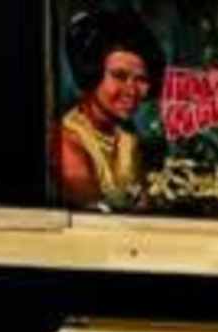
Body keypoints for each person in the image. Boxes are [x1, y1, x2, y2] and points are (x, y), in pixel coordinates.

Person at [52, 10, 163, 211]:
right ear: (91, 74)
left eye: (141, 80)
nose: (131, 91)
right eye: (119, 76)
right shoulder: (67, 140)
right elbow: (94, 217)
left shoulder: (127, 141)